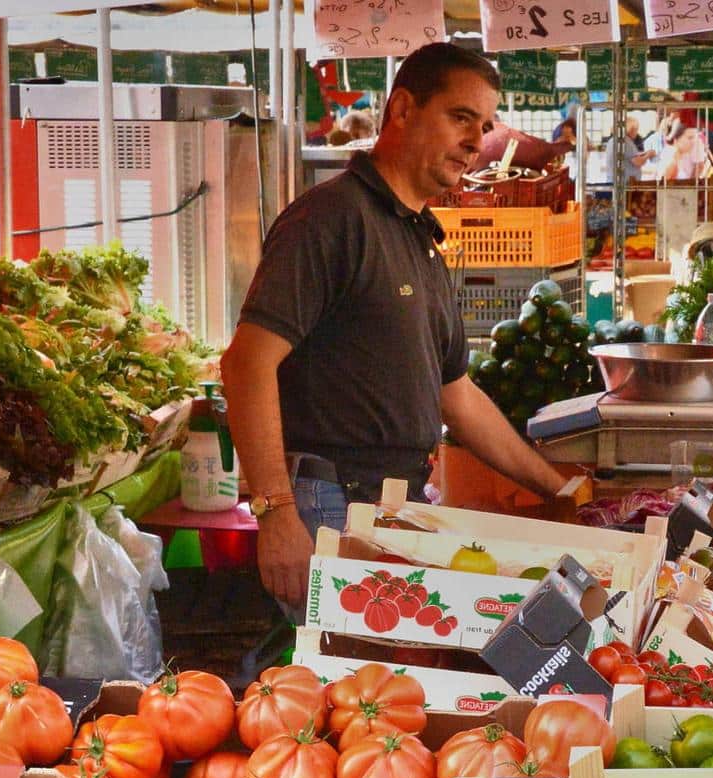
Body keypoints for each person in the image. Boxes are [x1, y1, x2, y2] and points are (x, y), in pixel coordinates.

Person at [220, 43, 568, 611]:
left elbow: (456, 395)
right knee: (349, 686)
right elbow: (245, 363)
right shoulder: (330, 220)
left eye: (484, 126)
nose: (477, 143)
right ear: (402, 109)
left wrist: (555, 487)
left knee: (382, 684)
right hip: (331, 503)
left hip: (393, 504)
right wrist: (276, 513)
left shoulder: (419, 236)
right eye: (461, 118)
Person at [604, 116, 651, 185]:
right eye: (636, 129)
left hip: (614, 182)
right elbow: (638, 162)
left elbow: (628, 157)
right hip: (624, 185)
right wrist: (649, 155)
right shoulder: (625, 141)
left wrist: (643, 154)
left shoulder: (613, 140)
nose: (636, 133)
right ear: (631, 129)